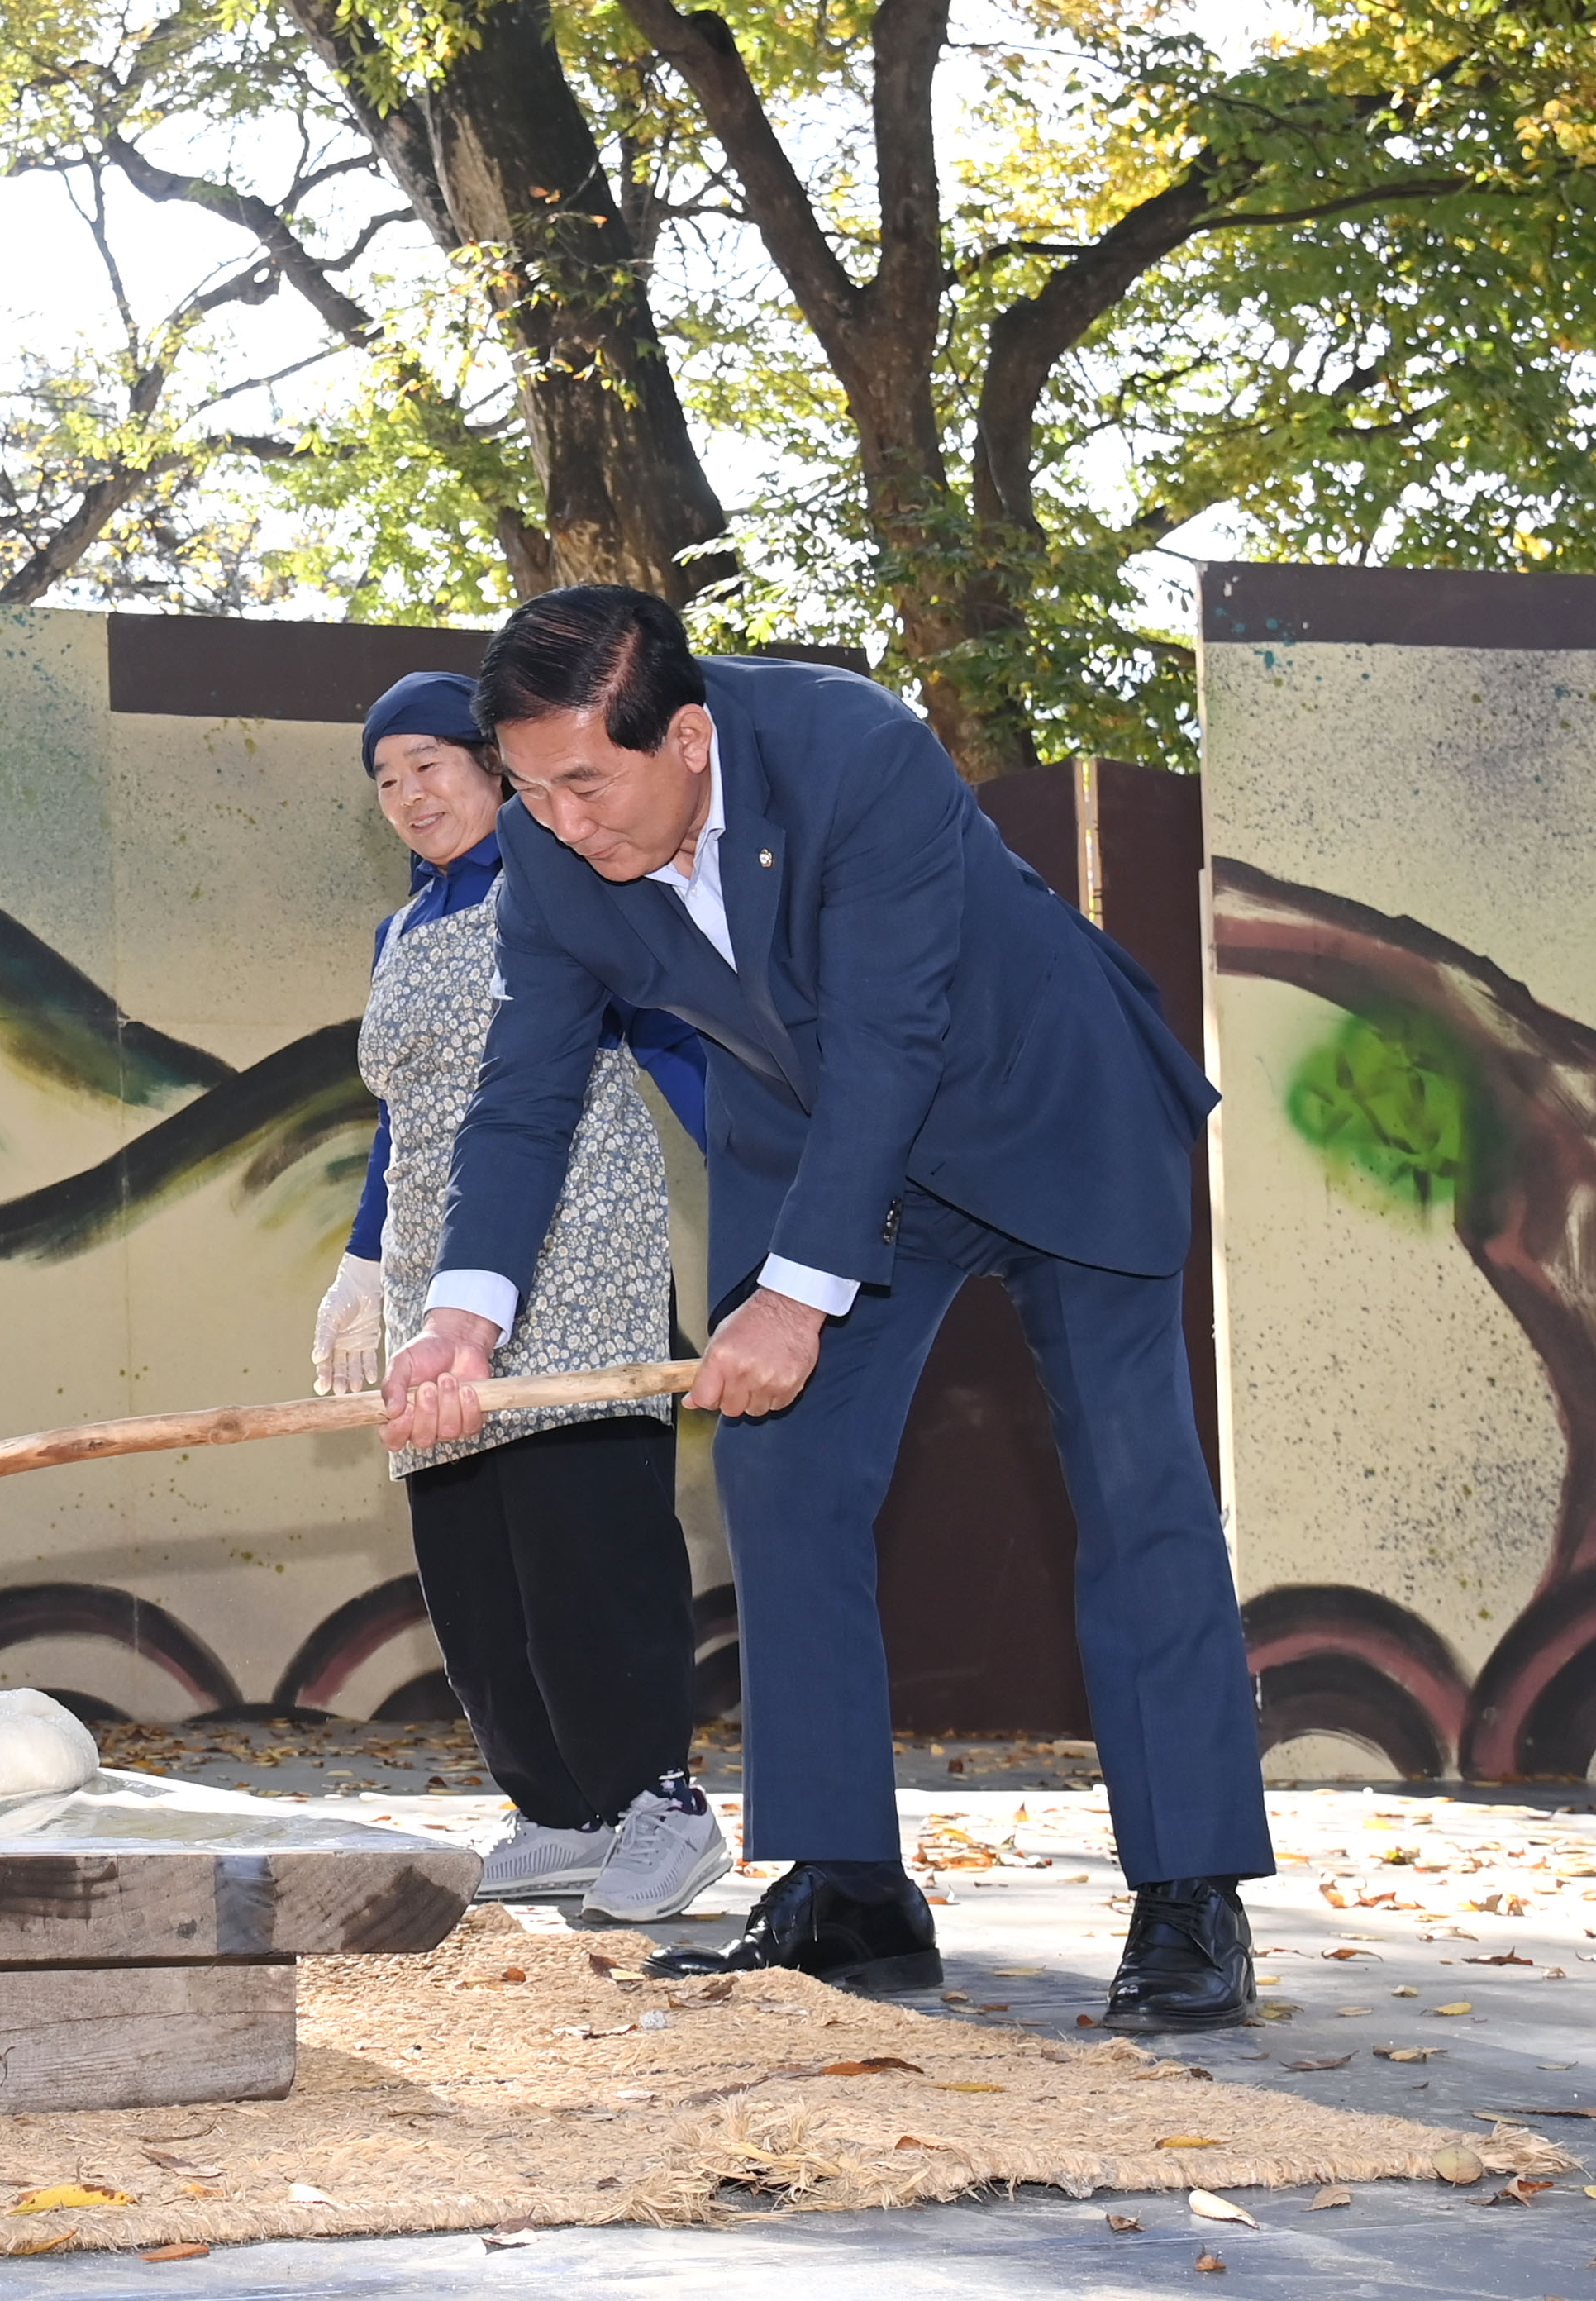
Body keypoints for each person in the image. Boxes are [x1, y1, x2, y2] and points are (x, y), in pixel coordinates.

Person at [385, 586, 1273, 2026]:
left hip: (1048, 1111)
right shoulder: (552, 851)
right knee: (783, 1472)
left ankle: (1191, 1895)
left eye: (586, 785)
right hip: (819, 1156)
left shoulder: (852, 748)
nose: (560, 824)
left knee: (1137, 1488)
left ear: (685, 733)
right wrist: (462, 1317)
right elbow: (526, 1086)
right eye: (530, 789)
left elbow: (890, 1039)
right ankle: (850, 1889)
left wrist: (794, 1302)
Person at [310, 673, 723, 1924]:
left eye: (430, 764)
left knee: (584, 1540)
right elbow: (402, 1123)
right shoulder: (400, 931)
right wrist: (369, 1262)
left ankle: (659, 1802)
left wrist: (782, 1219)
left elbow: (684, 1043)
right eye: (386, 780)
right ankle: (561, 1807)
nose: (408, 796)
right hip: (444, 1267)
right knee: (472, 1551)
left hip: (580, 1242)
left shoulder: (574, 889)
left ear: (497, 767)